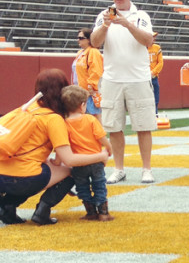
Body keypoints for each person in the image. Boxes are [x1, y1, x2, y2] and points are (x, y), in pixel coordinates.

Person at [0, 69, 109, 226]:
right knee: (72, 171)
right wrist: (101, 156)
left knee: (38, 168)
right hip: (22, 178)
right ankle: (42, 211)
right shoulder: (53, 119)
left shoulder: (28, 107)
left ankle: (7, 206)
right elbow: (70, 159)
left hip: (2, 172)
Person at [90, 0, 156, 184]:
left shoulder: (141, 15)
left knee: (143, 126)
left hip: (138, 78)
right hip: (112, 79)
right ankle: (119, 168)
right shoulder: (103, 15)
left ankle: (146, 169)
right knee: (114, 127)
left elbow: (148, 40)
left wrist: (127, 24)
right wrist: (105, 26)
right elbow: (94, 43)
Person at [61, 85, 113, 220]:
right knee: (99, 185)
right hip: (96, 161)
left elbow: (63, 145)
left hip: (79, 163)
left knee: (82, 187)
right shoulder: (90, 120)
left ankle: (90, 212)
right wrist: (109, 148)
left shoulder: (65, 124)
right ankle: (103, 212)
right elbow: (101, 137)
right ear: (82, 105)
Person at [72, 28, 103, 116]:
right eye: (78, 38)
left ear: (89, 39)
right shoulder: (80, 53)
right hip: (80, 93)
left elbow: (96, 73)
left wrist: (90, 90)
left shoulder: (93, 52)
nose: (78, 40)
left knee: (93, 119)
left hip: (89, 95)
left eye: (81, 38)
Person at [148, 36, 164, 114]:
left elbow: (160, 62)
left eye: (154, 37)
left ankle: (155, 113)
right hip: (144, 77)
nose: (153, 39)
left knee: (155, 98)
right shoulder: (141, 48)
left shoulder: (157, 48)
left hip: (154, 77)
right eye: (152, 37)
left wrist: (153, 72)